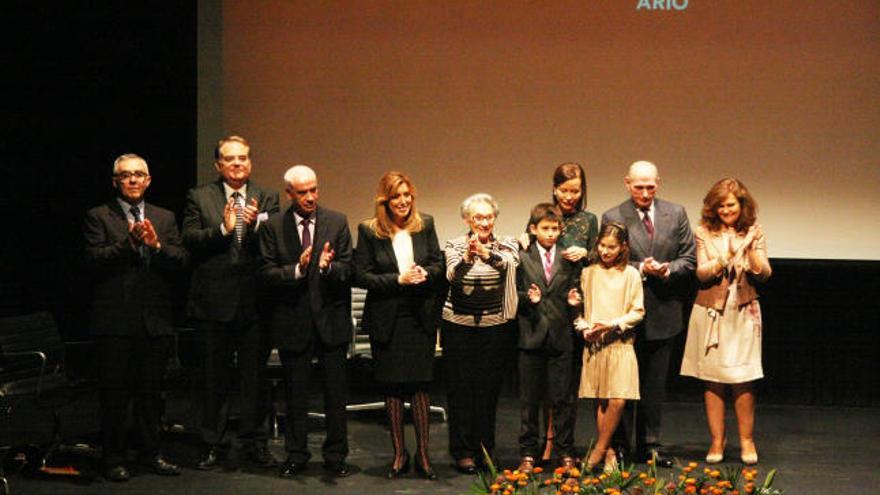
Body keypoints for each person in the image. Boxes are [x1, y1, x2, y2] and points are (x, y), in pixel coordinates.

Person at [83, 153, 188, 481]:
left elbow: (181, 260)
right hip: (114, 321)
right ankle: (113, 457)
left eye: (138, 174)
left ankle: (151, 453)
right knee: (114, 394)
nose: (132, 180)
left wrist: (156, 246)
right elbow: (92, 261)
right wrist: (128, 244)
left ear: (148, 180)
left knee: (150, 394)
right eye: (125, 175)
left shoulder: (165, 217)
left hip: (154, 321)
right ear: (115, 181)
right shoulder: (99, 216)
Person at [183, 135, 280, 470]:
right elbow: (190, 241)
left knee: (255, 378)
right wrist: (224, 230)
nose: (237, 163)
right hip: (213, 303)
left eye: (243, 158)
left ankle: (256, 443)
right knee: (214, 378)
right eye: (230, 158)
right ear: (218, 165)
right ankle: (212, 442)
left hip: (256, 302)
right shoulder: (199, 196)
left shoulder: (266, 197)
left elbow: (277, 243)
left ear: (250, 162)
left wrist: (254, 228)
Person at [258, 165, 353, 478]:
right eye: (303, 192)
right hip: (292, 323)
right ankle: (296, 454)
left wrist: (327, 267)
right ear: (289, 194)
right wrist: (298, 270)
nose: (311, 197)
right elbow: (266, 274)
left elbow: (349, 270)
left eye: (314, 189)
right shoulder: (273, 227)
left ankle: (336, 456)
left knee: (335, 396)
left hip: (331, 323)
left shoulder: (336, 221)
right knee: (295, 395)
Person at [353, 171, 446, 480]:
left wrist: (425, 274)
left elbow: (438, 264)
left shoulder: (426, 223)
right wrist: (398, 279)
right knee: (392, 387)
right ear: (386, 200)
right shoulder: (369, 230)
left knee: (420, 386)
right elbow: (361, 275)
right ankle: (398, 454)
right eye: (396, 196)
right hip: (387, 318)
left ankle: (423, 454)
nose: (403, 201)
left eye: (407, 195)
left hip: (419, 317)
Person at [602, 160, 695, 466]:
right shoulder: (614, 216)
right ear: (627, 183)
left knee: (654, 388)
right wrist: (642, 268)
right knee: (625, 385)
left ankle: (650, 445)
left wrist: (668, 269)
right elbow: (607, 260)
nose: (644, 192)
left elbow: (688, 258)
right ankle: (622, 445)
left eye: (650, 186)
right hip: (626, 313)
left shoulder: (676, 213)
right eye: (638, 186)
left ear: (659, 182)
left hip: (664, 311)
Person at [680, 178, 771, 466]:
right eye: (719, 206)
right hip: (711, 311)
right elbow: (702, 274)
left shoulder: (754, 232)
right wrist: (726, 257)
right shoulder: (704, 232)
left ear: (742, 204)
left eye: (730, 205)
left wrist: (750, 254)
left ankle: (747, 440)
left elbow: (765, 272)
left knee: (742, 379)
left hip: (743, 310)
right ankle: (717, 441)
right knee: (713, 379)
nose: (725, 210)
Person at [520, 162, 598, 462]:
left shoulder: (588, 220)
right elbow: (528, 257)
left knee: (564, 390)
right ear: (554, 189)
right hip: (539, 316)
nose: (570, 196)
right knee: (534, 392)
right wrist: (521, 241)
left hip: (569, 309)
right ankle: (543, 442)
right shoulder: (541, 215)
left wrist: (586, 254)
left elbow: (601, 253)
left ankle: (562, 444)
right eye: (564, 190)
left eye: (575, 191)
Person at [442, 193, 520, 474]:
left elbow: (511, 265)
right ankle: (462, 451)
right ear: (467, 220)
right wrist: (467, 256)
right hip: (458, 327)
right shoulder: (454, 244)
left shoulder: (507, 243)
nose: (484, 222)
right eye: (478, 217)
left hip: (494, 327)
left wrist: (487, 254)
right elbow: (452, 275)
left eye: (489, 217)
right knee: (461, 390)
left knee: (488, 391)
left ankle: (484, 449)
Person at [572, 221, 645, 472]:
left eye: (611, 247)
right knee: (601, 400)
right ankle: (610, 452)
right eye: (602, 245)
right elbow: (579, 314)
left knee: (618, 400)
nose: (605, 251)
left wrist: (613, 325)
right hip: (596, 346)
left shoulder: (631, 274)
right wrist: (585, 329)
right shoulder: (588, 273)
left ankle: (598, 449)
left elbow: (637, 312)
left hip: (620, 344)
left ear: (623, 247)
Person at [515, 203, 581, 473]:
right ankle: (528, 453)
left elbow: (576, 288)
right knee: (529, 400)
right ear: (533, 229)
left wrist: (575, 300)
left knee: (563, 399)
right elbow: (513, 294)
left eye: (555, 229)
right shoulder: (522, 256)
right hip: (531, 335)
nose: (551, 234)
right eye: (546, 229)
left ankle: (565, 451)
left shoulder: (568, 258)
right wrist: (526, 300)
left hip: (560, 336)